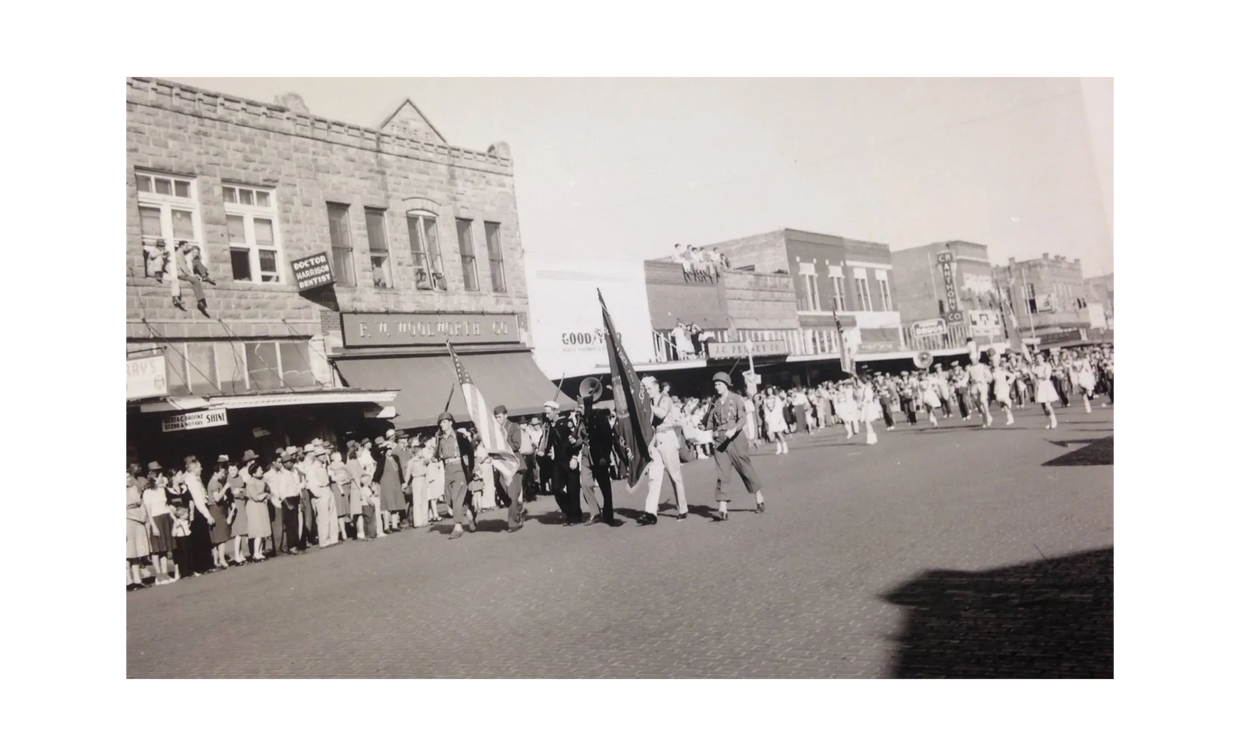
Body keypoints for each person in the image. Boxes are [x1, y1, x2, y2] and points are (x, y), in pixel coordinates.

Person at [705, 373, 766, 521]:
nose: (716, 387)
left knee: (745, 469)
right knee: (722, 475)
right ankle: (723, 509)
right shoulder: (714, 402)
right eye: (715, 384)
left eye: (719, 384)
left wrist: (734, 429)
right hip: (720, 441)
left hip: (736, 439)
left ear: (726, 384)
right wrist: (705, 426)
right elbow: (711, 422)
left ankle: (759, 498)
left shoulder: (737, 399)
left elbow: (743, 418)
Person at [639, 376, 689, 525]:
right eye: (645, 389)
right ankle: (650, 512)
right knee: (654, 477)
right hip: (655, 441)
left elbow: (661, 413)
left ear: (656, 387)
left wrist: (646, 406)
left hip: (667, 438)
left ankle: (682, 508)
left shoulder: (665, 399)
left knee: (674, 475)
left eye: (649, 388)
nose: (647, 392)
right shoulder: (649, 402)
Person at [576, 379, 619, 527]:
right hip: (586, 454)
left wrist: (605, 457)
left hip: (599, 455)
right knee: (586, 484)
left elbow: (607, 438)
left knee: (605, 487)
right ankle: (594, 512)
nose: (578, 410)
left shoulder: (599, 417)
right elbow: (579, 439)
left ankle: (609, 515)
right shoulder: (580, 421)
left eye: (581, 407)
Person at [434, 412, 477, 540]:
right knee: (449, 499)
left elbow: (470, 452)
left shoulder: (460, 437)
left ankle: (458, 526)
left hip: (459, 468)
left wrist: (470, 470)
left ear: (451, 422)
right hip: (447, 470)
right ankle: (469, 514)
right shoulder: (440, 439)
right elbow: (438, 455)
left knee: (456, 497)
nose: (442, 425)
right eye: (441, 422)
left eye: (445, 422)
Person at [492, 405, 528, 534]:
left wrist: (502, 446)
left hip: (514, 465)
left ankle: (513, 523)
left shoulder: (513, 426)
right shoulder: (495, 429)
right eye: (495, 417)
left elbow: (517, 444)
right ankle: (517, 509)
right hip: (501, 465)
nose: (497, 419)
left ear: (505, 415)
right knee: (500, 490)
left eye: (499, 417)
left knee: (512, 493)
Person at [125, 469, 152, 590]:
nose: (128, 479)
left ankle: (137, 579)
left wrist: (143, 515)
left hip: (138, 521)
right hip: (128, 521)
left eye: (129, 477)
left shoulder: (134, 489)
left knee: (136, 551)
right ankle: (128, 580)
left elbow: (141, 503)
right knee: (128, 553)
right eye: (125, 477)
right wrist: (135, 516)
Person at [1033, 352, 1060, 430]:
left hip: (1045, 386)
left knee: (1047, 404)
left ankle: (1054, 420)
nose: (1037, 359)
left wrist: (1037, 375)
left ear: (1043, 358)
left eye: (1039, 357)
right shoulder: (1035, 367)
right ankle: (1050, 421)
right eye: (1036, 358)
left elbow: (1046, 376)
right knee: (1043, 406)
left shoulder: (1047, 366)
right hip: (1039, 386)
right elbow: (1034, 377)